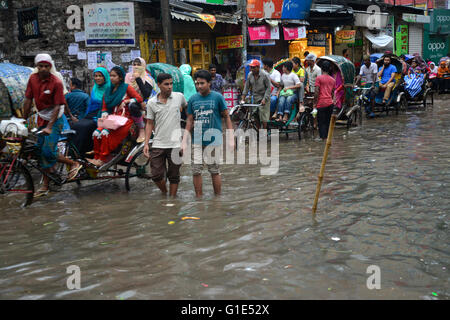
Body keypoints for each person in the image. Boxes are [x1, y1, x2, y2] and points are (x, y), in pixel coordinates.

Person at [22, 53, 82, 197]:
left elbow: (57, 106)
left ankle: (73, 163)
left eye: (46, 66)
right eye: (40, 66)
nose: (43, 69)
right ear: (37, 66)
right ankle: (46, 184)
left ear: (50, 67)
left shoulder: (56, 82)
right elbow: (28, 99)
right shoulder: (32, 79)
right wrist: (23, 119)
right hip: (41, 117)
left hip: (56, 119)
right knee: (38, 150)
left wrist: (50, 126)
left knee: (48, 152)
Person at [181, 70, 234, 198]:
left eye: (202, 83)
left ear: (209, 83)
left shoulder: (218, 97)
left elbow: (226, 117)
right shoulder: (193, 99)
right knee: (196, 171)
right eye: (197, 83)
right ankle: (199, 199)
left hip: (213, 139)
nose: (199, 86)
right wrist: (184, 141)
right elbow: (190, 120)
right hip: (197, 139)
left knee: (214, 171)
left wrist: (231, 138)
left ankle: (217, 199)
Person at [88, 66, 143, 167]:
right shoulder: (108, 90)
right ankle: (97, 157)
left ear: (120, 77)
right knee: (97, 132)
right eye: (110, 76)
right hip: (112, 118)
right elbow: (104, 106)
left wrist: (128, 100)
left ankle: (102, 159)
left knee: (105, 133)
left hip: (125, 120)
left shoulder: (127, 87)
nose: (111, 78)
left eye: (114, 76)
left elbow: (139, 98)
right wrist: (104, 114)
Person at [143, 73, 186, 197]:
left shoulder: (179, 97)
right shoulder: (151, 103)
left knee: (174, 176)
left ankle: (172, 199)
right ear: (159, 85)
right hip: (158, 143)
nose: (170, 87)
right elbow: (149, 123)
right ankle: (165, 192)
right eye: (166, 84)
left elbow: (188, 112)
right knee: (155, 175)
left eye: (171, 84)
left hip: (176, 144)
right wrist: (146, 144)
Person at [71, 67, 111, 157]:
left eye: (100, 76)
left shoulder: (109, 88)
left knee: (85, 127)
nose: (97, 78)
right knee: (77, 125)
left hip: (104, 114)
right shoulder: (94, 88)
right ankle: (75, 152)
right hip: (92, 113)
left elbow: (110, 105)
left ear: (105, 77)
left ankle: (84, 152)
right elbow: (90, 105)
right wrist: (85, 116)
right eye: (96, 76)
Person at [125, 57, 156, 143]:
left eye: (139, 65)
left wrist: (138, 79)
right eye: (134, 65)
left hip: (144, 103)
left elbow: (146, 94)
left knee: (133, 106)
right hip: (129, 100)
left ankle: (141, 129)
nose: (136, 67)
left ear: (143, 66)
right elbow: (124, 91)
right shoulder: (128, 76)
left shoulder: (147, 78)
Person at [241, 60, 271, 129]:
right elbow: (246, 87)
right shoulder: (250, 75)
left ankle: (264, 131)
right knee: (255, 116)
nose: (252, 69)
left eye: (253, 67)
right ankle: (258, 131)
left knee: (263, 117)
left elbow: (268, 89)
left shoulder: (265, 75)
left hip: (264, 97)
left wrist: (264, 99)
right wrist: (243, 99)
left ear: (258, 67)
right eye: (251, 67)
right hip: (255, 97)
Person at [314, 60, 336, 140]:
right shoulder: (333, 80)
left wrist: (314, 103)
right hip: (330, 103)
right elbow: (333, 93)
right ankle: (327, 140)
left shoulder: (319, 78)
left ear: (322, 68)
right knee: (327, 122)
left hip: (321, 103)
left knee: (321, 123)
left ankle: (323, 140)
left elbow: (316, 92)